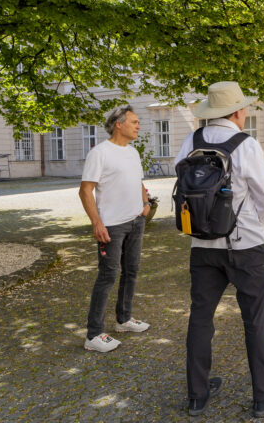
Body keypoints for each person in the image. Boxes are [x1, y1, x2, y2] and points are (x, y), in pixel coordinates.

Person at [175, 82, 264, 418]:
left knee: (200, 318)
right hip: (245, 246)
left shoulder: (191, 141)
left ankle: (197, 394)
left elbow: (181, 183)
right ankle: (263, 394)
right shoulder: (246, 145)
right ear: (238, 112)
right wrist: (260, 230)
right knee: (255, 321)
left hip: (201, 245)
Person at [79, 106, 151, 353]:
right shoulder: (100, 153)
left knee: (131, 271)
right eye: (134, 121)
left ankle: (124, 320)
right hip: (111, 225)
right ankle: (94, 334)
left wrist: (145, 204)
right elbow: (85, 190)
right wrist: (97, 223)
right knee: (108, 276)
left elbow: (139, 181)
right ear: (118, 124)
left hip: (135, 221)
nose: (138, 125)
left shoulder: (133, 152)